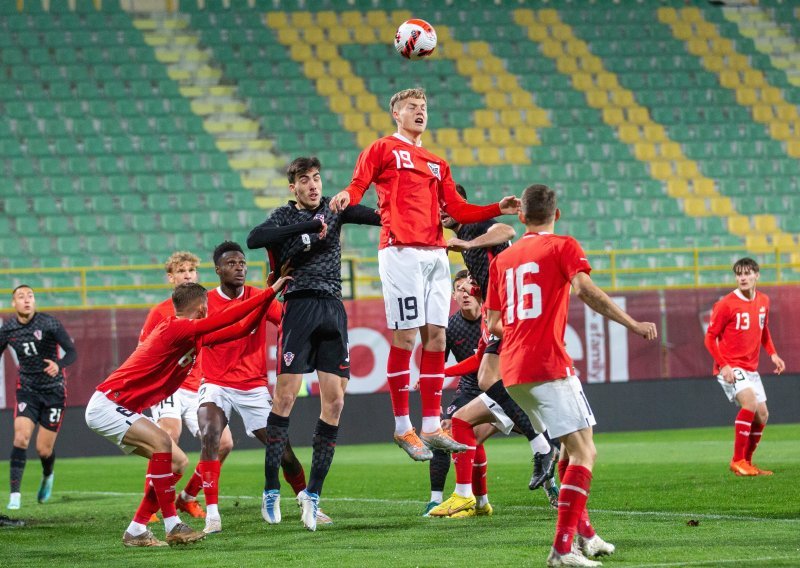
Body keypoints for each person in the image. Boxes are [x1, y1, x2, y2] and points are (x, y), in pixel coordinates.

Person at [330, 87, 521, 460]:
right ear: (396, 115)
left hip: (436, 253)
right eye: (411, 107)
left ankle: (431, 425)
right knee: (405, 339)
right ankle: (404, 427)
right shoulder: (382, 148)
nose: (420, 112)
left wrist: (497, 206)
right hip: (400, 250)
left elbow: (460, 210)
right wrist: (346, 196)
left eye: (424, 107)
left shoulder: (437, 162)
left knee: (435, 338)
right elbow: (358, 184)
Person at [484, 184, 657, 567]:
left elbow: (494, 322)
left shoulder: (502, 261)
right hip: (547, 364)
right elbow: (585, 289)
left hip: (513, 369)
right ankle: (562, 548)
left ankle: (586, 535)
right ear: (556, 215)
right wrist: (631, 323)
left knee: (571, 445)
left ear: (522, 216)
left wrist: (523, 331)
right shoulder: (563, 245)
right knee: (585, 452)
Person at [85, 279, 288, 547]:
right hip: (108, 404)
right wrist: (271, 292)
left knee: (177, 462)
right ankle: (173, 525)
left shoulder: (192, 335)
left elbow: (241, 328)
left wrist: (263, 305)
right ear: (203, 308)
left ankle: (136, 529)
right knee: (162, 444)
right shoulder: (174, 327)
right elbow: (230, 317)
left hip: (118, 406)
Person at [247, 156, 381, 531]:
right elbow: (254, 239)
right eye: (305, 180)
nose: (313, 185)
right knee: (285, 398)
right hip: (300, 305)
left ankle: (313, 495)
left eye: (317, 178)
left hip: (332, 308)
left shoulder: (337, 209)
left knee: (335, 401)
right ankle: (271, 488)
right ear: (293, 187)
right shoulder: (284, 216)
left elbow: (380, 217)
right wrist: (310, 225)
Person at [195, 241, 325, 535]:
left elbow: (286, 324)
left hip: (253, 387)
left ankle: (307, 501)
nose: (239, 267)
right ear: (217, 270)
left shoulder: (258, 296)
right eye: (231, 263)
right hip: (215, 383)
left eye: (242, 263)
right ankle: (212, 515)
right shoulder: (205, 303)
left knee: (284, 453)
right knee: (210, 434)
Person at [443, 185, 560, 494]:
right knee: (507, 388)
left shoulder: (474, 224)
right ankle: (545, 446)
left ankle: (547, 444)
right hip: (501, 312)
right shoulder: (467, 236)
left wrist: (468, 244)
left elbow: (507, 229)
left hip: (513, 309)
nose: (440, 209)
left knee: (494, 381)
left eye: (445, 202)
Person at [138, 251, 234, 520]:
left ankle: (188, 497)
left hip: (197, 385)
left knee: (224, 443)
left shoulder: (207, 307)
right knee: (168, 434)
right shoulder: (159, 312)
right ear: (171, 277)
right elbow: (143, 350)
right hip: (168, 385)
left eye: (191, 270)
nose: (188, 275)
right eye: (181, 271)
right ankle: (152, 499)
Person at [704, 257, 785, 477]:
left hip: (751, 368)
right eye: (739, 274)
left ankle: (747, 463)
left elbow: (764, 330)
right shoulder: (726, 304)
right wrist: (724, 365)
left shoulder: (764, 301)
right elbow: (710, 338)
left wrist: (773, 354)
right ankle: (737, 460)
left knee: (763, 415)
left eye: (747, 273)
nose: (742, 277)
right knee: (749, 402)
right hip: (730, 366)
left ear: (756, 275)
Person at [1, 285, 76, 510]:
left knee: (43, 449)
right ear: (13, 303)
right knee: (21, 438)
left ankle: (48, 473)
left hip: (54, 392)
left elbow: (72, 351)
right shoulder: (8, 329)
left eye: (30, 296)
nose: (27, 300)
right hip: (27, 390)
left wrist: (59, 364)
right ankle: (15, 495)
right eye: (21, 297)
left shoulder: (49, 323)